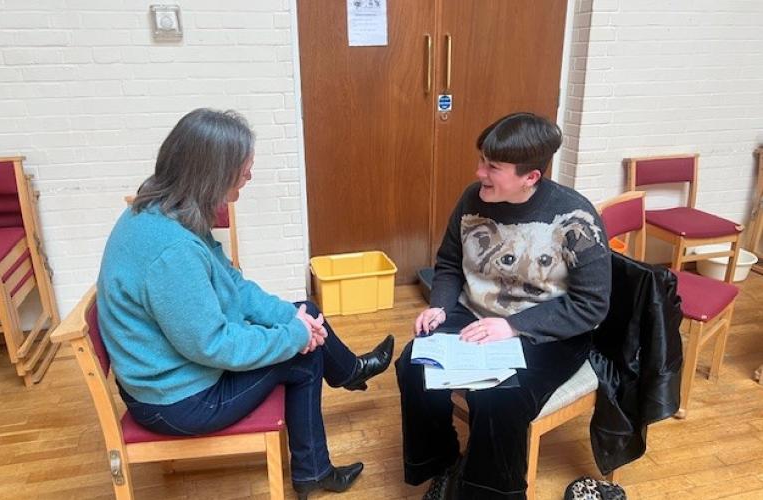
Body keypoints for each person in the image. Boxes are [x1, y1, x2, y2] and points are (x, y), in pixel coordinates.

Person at [96, 108, 395, 500]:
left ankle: (348, 375)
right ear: (212, 174)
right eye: (244, 169)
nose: (250, 176)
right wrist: (294, 337)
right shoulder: (172, 251)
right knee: (304, 356)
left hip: (173, 376)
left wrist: (292, 319)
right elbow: (212, 345)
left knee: (306, 311)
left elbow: (233, 286)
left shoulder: (166, 210)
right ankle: (315, 467)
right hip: (177, 401)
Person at [396, 112, 611, 499]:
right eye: (482, 161)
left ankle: (486, 492)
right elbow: (447, 262)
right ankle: (443, 465)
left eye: (493, 166)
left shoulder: (576, 217)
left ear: (531, 177)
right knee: (415, 365)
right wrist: (440, 307)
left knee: (498, 395)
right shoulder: (472, 200)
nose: (480, 172)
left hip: (547, 330)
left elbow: (591, 305)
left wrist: (514, 327)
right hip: (474, 314)